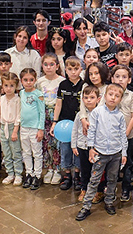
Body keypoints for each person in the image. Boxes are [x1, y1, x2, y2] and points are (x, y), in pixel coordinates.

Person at [76, 84, 128, 221]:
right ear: (105, 96)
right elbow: (91, 131)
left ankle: (109, 201)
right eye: (110, 94)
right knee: (94, 180)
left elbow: (122, 135)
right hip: (100, 152)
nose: (113, 98)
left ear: (120, 99)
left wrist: (124, 153)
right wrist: (91, 148)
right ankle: (86, 206)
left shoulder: (120, 116)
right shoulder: (97, 113)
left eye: (117, 96)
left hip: (115, 153)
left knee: (112, 179)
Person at [52, 56, 83, 187]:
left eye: (76, 69)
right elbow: (58, 104)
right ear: (65, 70)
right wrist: (55, 121)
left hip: (79, 124)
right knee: (65, 150)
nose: (73, 72)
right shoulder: (63, 85)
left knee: (78, 150)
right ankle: (67, 175)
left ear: (81, 69)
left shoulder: (84, 85)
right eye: (70, 69)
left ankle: (77, 175)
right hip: (64, 124)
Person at [109, 65, 133, 202]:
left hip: (127, 136)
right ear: (112, 78)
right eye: (117, 76)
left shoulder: (131, 96)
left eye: (124, 77)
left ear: (129, 80)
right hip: (111, 137)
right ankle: (111, 189)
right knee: (112, 164)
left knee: (127, 163)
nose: (120, 79)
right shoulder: (108, 93)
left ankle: (126, 189)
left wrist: (127, 132)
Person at [37, 53, 65, 187]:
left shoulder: (61, 81)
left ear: (57, 66)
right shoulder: (39, 82)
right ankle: (49, 169)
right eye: (46, 64)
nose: (48, 67)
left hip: (57, 114)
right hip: (43, 114)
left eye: (52, 64)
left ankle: (58, 169)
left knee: (56, 143)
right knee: (46, 143)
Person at [72, 85, 100, 202]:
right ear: (82, 99)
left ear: (98, 99)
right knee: (84, 170)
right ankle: (84, 189)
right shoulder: (80, 115)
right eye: (86, 97)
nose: (89, 100)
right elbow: (74, 130)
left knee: (96, 171)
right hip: (82, 147)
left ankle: (97, 191)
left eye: (92, 97)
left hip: (95, 148)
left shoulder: (100, 114)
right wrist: (73, 145)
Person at [19, 67, 45, 190]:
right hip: (24, 127)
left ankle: (37, 175)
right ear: (21, 81)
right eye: (25, 80)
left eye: (31, 80)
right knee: (26, 152)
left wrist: (40, 129)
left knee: (37, 153)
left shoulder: (38, 94)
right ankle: (29, 173)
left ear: (35, 80)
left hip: (35, 128)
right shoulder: (21, 93)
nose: (28, 82)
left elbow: (42, 112)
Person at [0, 72, 23, 186]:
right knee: (6, 152)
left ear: (16, 86)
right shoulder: (1, 99)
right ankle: (10, 173)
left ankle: (18, 174)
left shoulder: (17, 99)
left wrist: (15, 131)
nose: (8, 88)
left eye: (11, 86)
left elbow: (18, 115)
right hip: (3, 126)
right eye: (6, 85)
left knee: (15, 151)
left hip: (13, 127)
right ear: (2, 86)